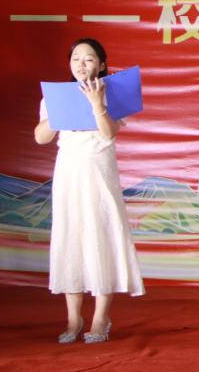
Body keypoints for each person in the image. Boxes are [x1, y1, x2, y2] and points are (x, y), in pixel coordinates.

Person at [34, 38, 144, 344]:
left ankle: (100, 318)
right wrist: (58, 113)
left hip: (99, 171)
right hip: (68, 172)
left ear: (102, 64)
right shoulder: (56, 97)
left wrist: (97, 104)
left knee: (101, 236)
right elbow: (41, 137)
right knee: (71, 237)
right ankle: (74, 319)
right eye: (76, 59)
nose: (81, 64)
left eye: (89, 59)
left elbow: (109, 134)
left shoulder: (113, 92)